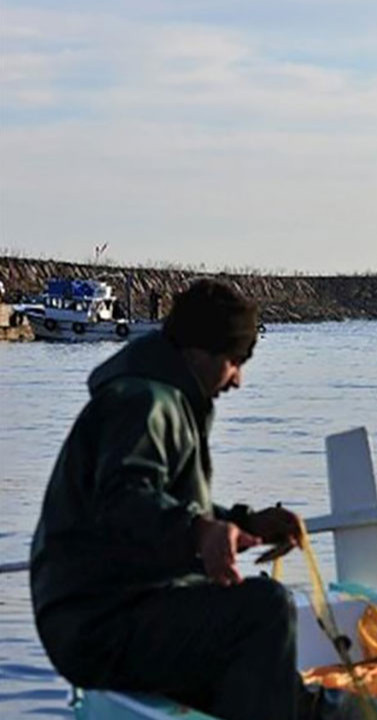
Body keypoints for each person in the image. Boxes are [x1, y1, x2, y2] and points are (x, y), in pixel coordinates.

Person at [29, 278, 305, 720]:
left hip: (116, 611)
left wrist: (243, 523)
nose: (238, 380)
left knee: (264, 663)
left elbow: (157, 506)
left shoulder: (162, 397)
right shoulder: (142, 402)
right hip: (97, 624)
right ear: (200, 350)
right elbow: (122, 505)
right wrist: (199, 531)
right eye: (235, 360)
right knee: (265, 610)